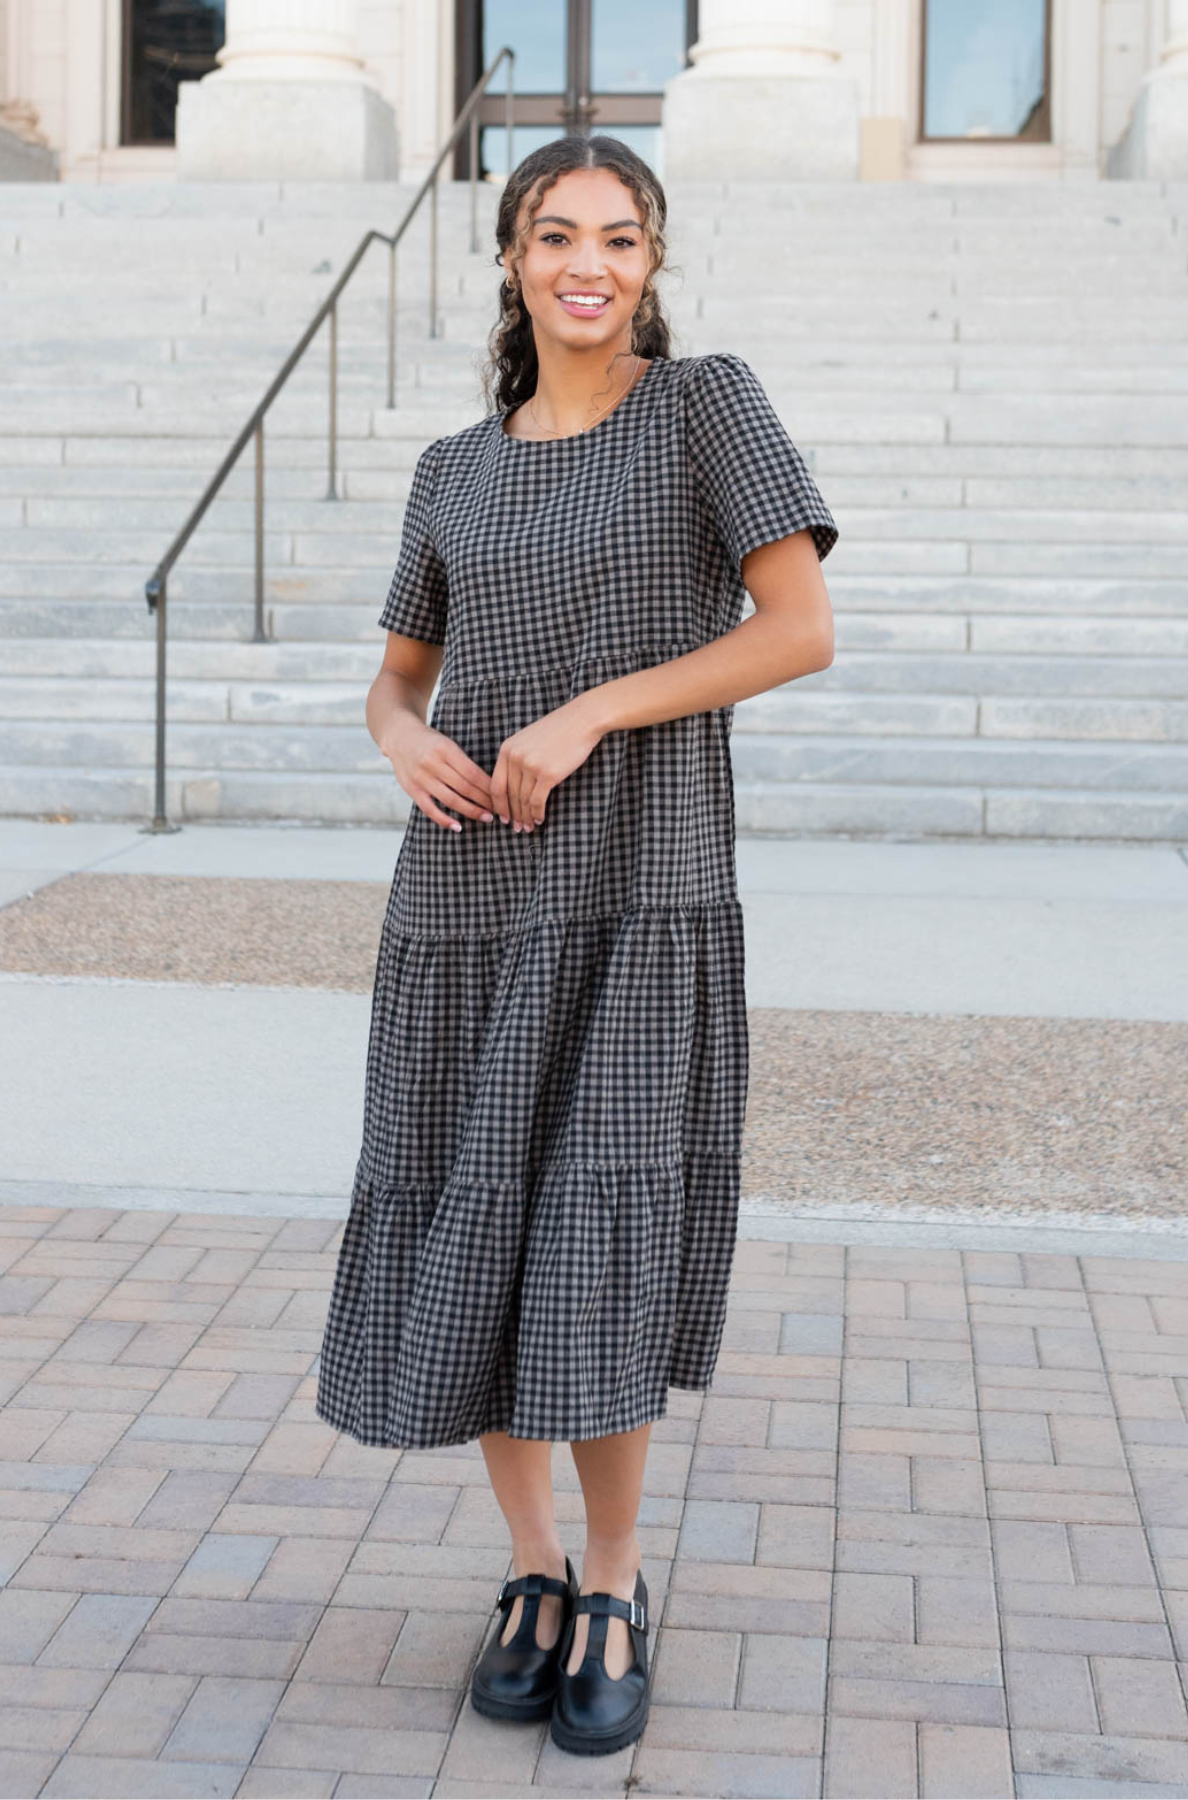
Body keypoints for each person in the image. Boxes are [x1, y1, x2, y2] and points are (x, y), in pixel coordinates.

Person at [317, 133, 838, 1758]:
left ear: (654, 263)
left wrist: (595, 708)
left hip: (639, 897)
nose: (587, 262)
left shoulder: (706, 409)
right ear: (509, 259)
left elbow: (797, 627)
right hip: (466, 908)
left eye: (619, 237)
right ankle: (531, 1572)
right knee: (476, 1223)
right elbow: (398, 679)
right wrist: (398, 737)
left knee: (594, 1246)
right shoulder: (450, 470)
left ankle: (613, 1581)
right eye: (556, 235)